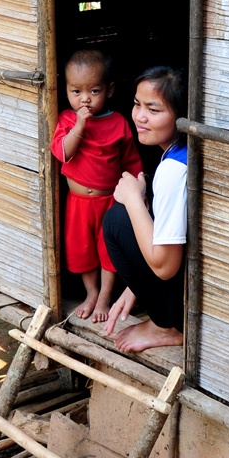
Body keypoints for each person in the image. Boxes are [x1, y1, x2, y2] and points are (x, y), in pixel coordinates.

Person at [50, 48, 142, 322]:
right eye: (76, 91)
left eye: (94, 91)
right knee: (81, 250)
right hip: (78, 203)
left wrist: (139, 191)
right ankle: (90, 292)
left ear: (110, 90)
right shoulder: (67, 119)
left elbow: (131, 162)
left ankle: (104, 297)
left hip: (109, 202)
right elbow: (62, 153)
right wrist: (79, 124)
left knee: (107, 250)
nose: (84, 99)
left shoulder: (118, 123)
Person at [102, 65, 187, 354]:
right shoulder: (183, 152)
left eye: (154, 109)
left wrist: (134, 200)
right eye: (137, 104)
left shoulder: (174, 171)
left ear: (181, 116)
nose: (139, 116)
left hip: (189, 301)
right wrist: (134, 288)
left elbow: (165, 266)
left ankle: (166, 326)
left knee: (117, 219)